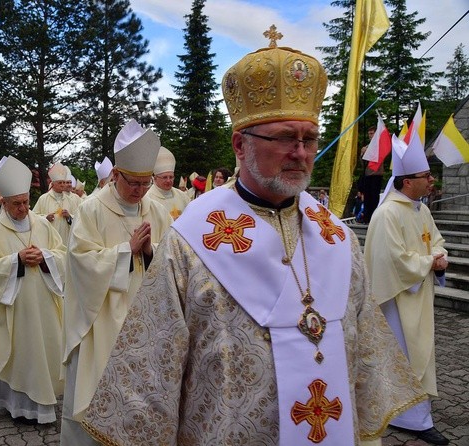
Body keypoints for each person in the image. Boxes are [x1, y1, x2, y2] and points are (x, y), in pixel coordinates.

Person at [81, 36, 426, 446]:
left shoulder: (339, 239)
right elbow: (149, 374)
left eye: (310, 138)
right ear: (240, 145)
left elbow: (367, 364)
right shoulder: (191, 243)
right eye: (283, 138)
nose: (301, 152)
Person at [60, 119, 173, 445]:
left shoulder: (156, 210)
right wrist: (126, 252)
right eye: (133, 183)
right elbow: (80, 262)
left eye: (144, 183)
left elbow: (170, 263)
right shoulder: (91, 209)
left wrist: (149, 252)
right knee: (96, 394)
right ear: (115, 175)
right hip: (101, 320)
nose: (140, 191)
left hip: (144, 320)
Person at [364, 134, 450, 445]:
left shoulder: (420, 209)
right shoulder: (388, 213)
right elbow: (393, 260)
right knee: (406, 357)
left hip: (419, 294)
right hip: (398, 300)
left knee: (420, 356)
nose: (431, 180)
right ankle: (412, 419)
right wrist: (432, 261)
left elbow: (437, 241)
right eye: (425, 175)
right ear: (405, 181)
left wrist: (440, 257)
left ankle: (412, 414)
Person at [0, 156, 65, 424]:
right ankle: (18, 407)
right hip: (13, 309)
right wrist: (15, 260)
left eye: (26, 202)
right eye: (17, 204)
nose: (23, 208)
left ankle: (44, 405)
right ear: (2, 201)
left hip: (44, 305)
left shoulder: (42, 224)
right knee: (21, 354)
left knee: (44, 351)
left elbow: (63, 255)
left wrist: (46, 257)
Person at [32, 162, 81, 246]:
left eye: (64, 182)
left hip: (66, 238)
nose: (63, 185)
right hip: (49, 239)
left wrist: (69, 216)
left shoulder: (70, 200)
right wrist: (45, 218)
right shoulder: (43, 198)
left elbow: (78, 219)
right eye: (60, 183)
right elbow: (34, 217)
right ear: (53, 183)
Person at [146, 146, 190, 220]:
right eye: (165, 177)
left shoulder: (182, 196)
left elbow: (191, 214)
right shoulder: (148, 198)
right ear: (155, 178)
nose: (169, 181)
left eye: (171, 177)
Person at [360, 126, 384, 223]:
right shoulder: (366, 147)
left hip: (376, 174)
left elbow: (380, 157)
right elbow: (362, 163)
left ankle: (374, 217)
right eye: (369, 133)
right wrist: (362, 154)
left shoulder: (379, 145)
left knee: (374, 196)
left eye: (372, 133)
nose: (370, 135)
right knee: (367, 197)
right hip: (367, 174)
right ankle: (366, 217)